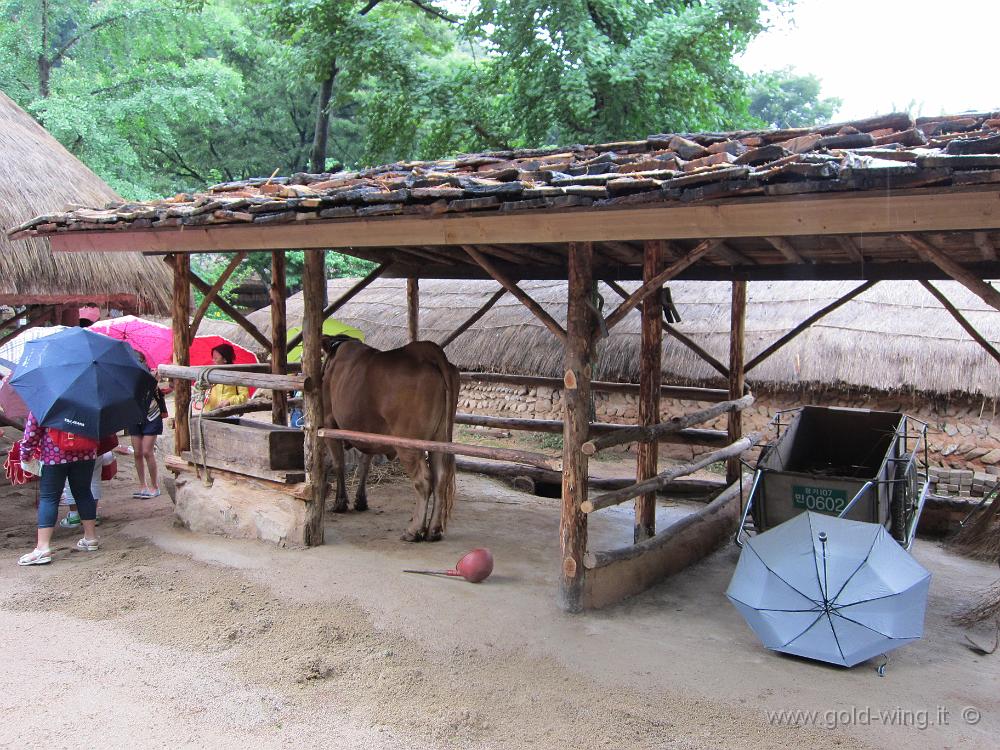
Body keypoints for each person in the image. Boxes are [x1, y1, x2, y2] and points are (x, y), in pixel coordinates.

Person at [17, 412, 99, 565]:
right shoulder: (88, 399)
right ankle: (91, 538)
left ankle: (43, 547)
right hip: (86, 452)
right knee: (83, 492)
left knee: (49, 497)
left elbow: (32, 430)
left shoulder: (47, 400)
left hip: (54, 455)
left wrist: (25, 454)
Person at [129, 353, 167, 499]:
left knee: (147, 451)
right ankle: (142, 485)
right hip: (134, 415)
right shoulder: (127, 375)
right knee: (137, 452)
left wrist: (154, 379)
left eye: (139, 360)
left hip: (152, 415)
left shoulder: (152, 375)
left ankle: (155, 486)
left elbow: (153, 390)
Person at [59, 436, 117, 528]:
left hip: (69, 440)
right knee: (94, 477)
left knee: (70, 476)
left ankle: (74, 516)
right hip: (94, 442)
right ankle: (93, 515)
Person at [204, 343, 249, 411]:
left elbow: (244, 396)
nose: (213, 360)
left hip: (229, 412)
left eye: (215, 358)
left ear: (225, 359)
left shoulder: (237, 374)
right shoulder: (209, 374)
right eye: (212, 358)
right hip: (210, 412)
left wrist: (229, 401)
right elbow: (205, 394)